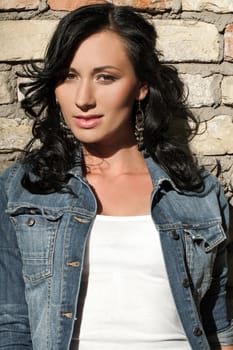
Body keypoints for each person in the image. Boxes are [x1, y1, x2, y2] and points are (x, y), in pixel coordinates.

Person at [0, 3, 232, 349]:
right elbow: (12, 326)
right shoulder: (24, 190)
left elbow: (220, 331)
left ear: (140, 86)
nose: (83, 99)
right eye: (68, 76)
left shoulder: (198, 194)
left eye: (105, 77)